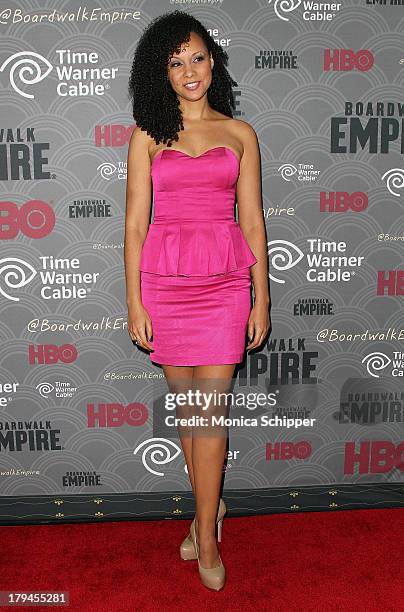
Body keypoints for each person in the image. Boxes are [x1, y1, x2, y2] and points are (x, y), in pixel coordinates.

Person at [124, 10, 270, 591]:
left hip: (225, 283)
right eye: (176, 61)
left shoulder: (240, 134)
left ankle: (206, 535)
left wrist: (262, 299)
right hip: (165, 282)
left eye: (198, 58)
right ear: (160, 71)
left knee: (209, 412)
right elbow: (135, 227)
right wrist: (134, 300)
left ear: (214, 63)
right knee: (190, 412)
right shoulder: (146, 136)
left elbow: (254, 223)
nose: (189, 71)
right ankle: (207, 511)